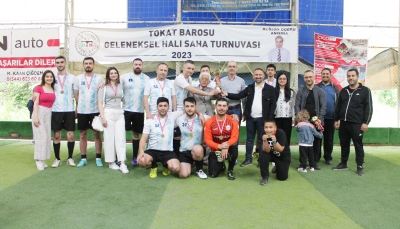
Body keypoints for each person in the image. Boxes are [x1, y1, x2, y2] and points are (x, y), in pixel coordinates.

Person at [222, 68, 276, 167]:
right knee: (249, 139)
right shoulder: (249, 88)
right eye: (256, 75)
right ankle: (248, 159)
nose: (258, 76)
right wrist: (227, 94)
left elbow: (273, 104)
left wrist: (270, 119)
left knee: (262, 139)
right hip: (250, 118)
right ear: (253, 76)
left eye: (260, 75)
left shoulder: (270, 89)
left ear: (264, 76)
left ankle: (261, 160)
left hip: (263, 119)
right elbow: (239, 95)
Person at [332, 69, 373, 176]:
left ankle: (359, 166)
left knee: (358, 145)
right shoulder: (343, 91)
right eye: (349, 76)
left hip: (357, 124)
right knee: (344, 144)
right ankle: (343, 163)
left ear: (357, 77)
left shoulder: (365, 91)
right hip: (344, 123)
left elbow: (369, 108)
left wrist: (365, 122)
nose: (351, 78)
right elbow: (338, 106)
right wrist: (336, 120)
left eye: (353, 76)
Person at [137, 97, 184, 178]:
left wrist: (200, 114)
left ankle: (166, 166)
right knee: (142, 161)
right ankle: (153, 166)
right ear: (157, 107)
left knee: (176, 168)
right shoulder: (150, 120)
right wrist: (141, 151)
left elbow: (187, 110)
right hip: (152, 150)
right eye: (160, 106)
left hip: (168, 151)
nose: (163, 108)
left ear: (169, 107)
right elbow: (143, 138)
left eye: (165, 106)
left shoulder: (172, 116)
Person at [74, 57, 104, 167]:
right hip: (82, 112)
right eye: (86, 63)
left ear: (93, 65)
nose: (88, 65)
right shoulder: (78, 79)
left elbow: (101, 95)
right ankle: (83, 158)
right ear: (83, 65)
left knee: (97, 134)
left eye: (90, 63)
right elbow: (76, 95)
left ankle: (98, 158)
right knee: (82, 134)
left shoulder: (99, 79)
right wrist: (78, 107)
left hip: (95, 111)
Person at [98, 67, 129, 174]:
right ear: (108, 75)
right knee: (109, 138)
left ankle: (122, 163)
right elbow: (100, 102)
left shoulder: (121, 84)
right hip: (108, 113)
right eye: (111, 73)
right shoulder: (103, 86)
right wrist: (103, 117)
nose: (113, 74)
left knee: (121, 138)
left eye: (115, 73)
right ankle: (111, 162)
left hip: (120, 113)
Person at [120, 58, 150, 166]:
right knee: (121, 133)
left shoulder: (146, 79)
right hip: (126, 110)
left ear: (142, 66)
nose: (138, 66)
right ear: (132, 65)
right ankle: (120, 157)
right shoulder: (124, 77)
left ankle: (134, 157)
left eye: (140, 64)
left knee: (136, 134)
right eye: (136, 64)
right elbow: (116, 89)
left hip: (139, 111)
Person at [295, 70, 326, 170]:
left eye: (310, 77)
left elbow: (323, 106)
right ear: (304, 79)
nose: (308, 79)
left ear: (314, 78)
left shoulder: (320, 91)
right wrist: (299, 118)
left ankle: (314, 162)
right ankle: (302, 162)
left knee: (317, 141)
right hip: (304, 121)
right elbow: (297, 105)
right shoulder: (301, 91)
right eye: (306, 77)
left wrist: (320, 118)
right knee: (303, 143)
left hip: (317, 121)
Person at [204, 98, 239, 180]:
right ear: (215, 106)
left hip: (229, 148)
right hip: (215, 149)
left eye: (224, 106)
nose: (221, 108)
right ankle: (221, 164)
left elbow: (234, 137)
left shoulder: (233, 120)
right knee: (213, 174)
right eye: (219, 105)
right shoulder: (209, 122)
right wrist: (220, 146)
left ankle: (230, 170)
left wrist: (226, 147)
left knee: (234, 151)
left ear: (227, 107)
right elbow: (207, 140)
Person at [51, 56, 76, 168]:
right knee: (56, 135)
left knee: (70, 135)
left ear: (65, 63)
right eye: (58, 62)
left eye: (62, 62)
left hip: (69, 110)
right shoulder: (51, 77)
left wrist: (77, 108)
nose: (60, 64)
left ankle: (70, 158)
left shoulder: (72, 78)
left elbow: (76, 94)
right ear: (55, 64)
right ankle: (57, 159)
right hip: (56, 110)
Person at [176, 97, 208, 179]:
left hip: (198, 149)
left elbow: (217, 119)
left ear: (195, 107)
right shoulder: (179, 119)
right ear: (184, 107)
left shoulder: (203, 117)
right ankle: (190, 164)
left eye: (191, 106)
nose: (189, 109)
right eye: (187, 106)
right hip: (184, 151)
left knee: (197, 150)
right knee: (183, 175)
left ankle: (199, 169)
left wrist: (232, 117)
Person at [32, 70, 56, 170]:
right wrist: (36, 117)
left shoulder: (53, 88)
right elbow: (35, 103)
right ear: (44, 78)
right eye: (47, 76)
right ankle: (38, 160)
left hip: (48, 114)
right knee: (41, 137)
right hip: (39, 112)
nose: (49, 78)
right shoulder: (38, 88)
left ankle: (43, 159)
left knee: (46, 137)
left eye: (51, 76)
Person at [316, 68, 340, 165]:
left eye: (327, 74)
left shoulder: (335, 88)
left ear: (331, 75)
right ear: (321, 75)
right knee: (317, 138)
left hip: (331, 118)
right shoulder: (316, 87)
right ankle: (316, 157)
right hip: (318, 119)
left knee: (329, 139)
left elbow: (338, 104)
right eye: (323, 74)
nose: (325, 75)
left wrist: (337, 118)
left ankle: (328, 157)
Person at [220, 60, 246, 147]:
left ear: (236, 68)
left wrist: (244, 111)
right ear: (227, 68)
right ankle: (223, 152)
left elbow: (243, 97)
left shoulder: (241, 81)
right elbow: (219, 96)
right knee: (223, 131)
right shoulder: (221, 81)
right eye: (230, 66)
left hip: (236, 109)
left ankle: (233, 155)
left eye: (233, 66)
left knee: (235, 132)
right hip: (223, 110)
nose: (231, 68)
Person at [259, 118, 291, 185]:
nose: (268, 130)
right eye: (266, 127)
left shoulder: (281, 133)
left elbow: (280, 149)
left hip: (282, 156)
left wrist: (275, 141)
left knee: (282, 178)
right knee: (263, 154)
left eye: (271, 127)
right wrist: (265, 141)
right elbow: (266, 150)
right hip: (271, 154)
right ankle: (265, 177)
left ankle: (277, 166)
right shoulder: (263, 134)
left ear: (275, 128)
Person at [274, 72, 296, 145]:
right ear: (277, 80)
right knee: (277, 136)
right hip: (276, 118)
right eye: (280, 78)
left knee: (286, 136)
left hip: (287, 118)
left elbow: (293, 105)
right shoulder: (273, 91)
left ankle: (286, 153)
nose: (282, 80)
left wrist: (293, 118)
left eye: (284, 79)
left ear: (287, 80)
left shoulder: (291, 92)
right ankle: (276, 152)